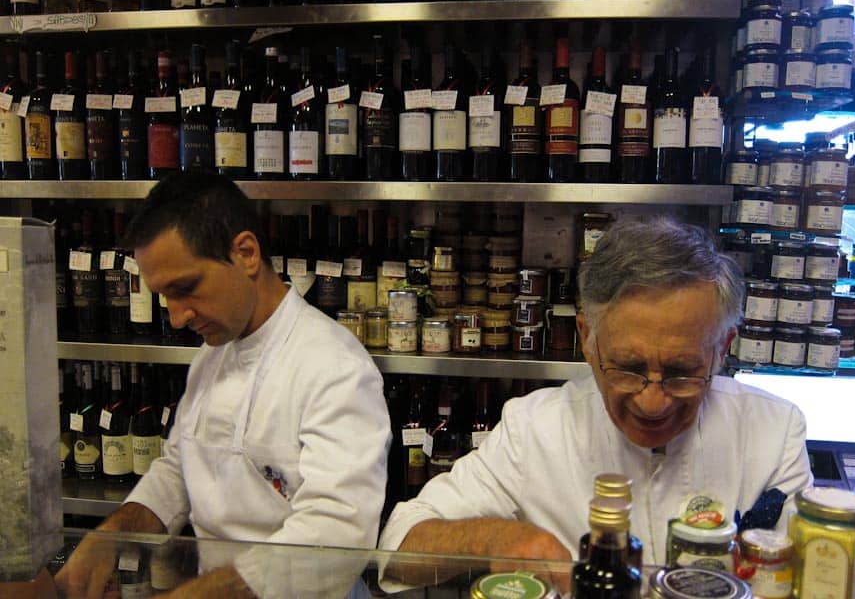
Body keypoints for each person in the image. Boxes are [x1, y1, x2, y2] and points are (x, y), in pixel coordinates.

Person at [378, 217, 813, 580]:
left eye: (682, 373)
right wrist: (497, 540)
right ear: (588, 340)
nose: (653, 401)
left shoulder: (774, 432)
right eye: (628, 368)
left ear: (722, 348)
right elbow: (400, 542)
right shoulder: (534, 429)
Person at [56, 172, 391, 598]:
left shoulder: (335, 367)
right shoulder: (213, 353)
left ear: (246, 253)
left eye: (186, 288)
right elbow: (179, 467)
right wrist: (114, 532)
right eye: (165, 297)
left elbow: (337, 531)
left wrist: (202, 594)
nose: (177, 317)